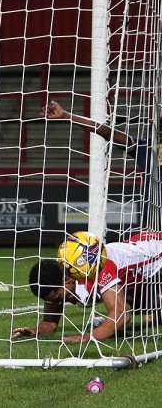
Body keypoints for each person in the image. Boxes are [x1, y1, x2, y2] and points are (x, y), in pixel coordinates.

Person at [12, 232, 162, 342]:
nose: (58, 303)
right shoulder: (55, 285)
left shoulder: (99, 269)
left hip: (156, 254)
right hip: (139, 277)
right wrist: (36, 330)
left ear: (67, 280)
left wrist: (86, 338)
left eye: (59, 298)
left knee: (130, 306)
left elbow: (122, 314)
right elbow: (50, 323)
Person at [42, 100, 160, 228]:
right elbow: (106, 132)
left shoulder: (146, 148)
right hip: (154, 225)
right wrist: (67, 116)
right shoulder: (146, 148)